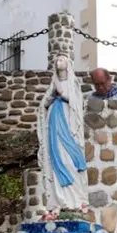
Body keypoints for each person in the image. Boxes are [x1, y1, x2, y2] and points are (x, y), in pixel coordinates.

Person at [37, 55, 88, 220]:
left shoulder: (73, 83)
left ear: (68, 64)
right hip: (54, 124)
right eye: (57, 60)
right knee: (57, 157)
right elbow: (44, 105)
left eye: (62, 59)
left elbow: (76, 104)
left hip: (68, 124)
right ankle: (59, 200)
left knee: (71, 160)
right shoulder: (53, 84)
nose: (59, 62)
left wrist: (62, 93)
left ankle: (77, 199)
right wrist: (53, 94)